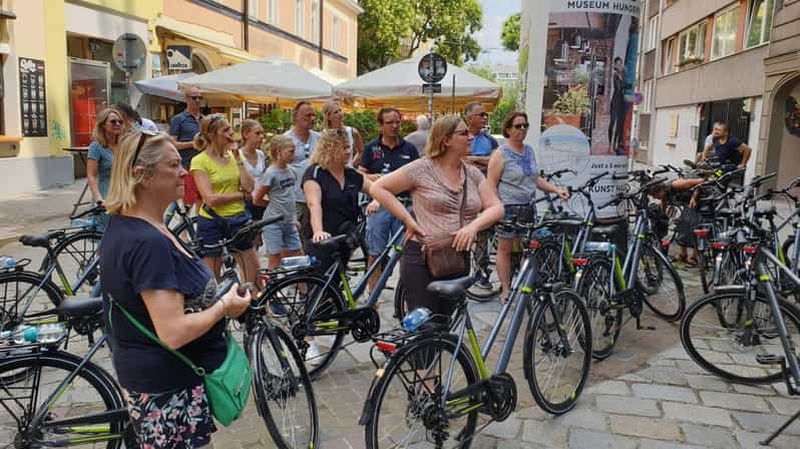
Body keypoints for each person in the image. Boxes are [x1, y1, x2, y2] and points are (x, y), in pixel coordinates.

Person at [100, 129, 251, 448]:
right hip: (167, 389)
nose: (184, 171)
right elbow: (173, 332)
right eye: (172, 165)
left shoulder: (130, 224)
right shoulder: (147, 242)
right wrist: (224, 307)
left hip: (158, 380)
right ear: (142, 175)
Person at [370, 115, 504, 320]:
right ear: (446, 140)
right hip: (422, 259)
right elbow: (379, 187)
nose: (470, 137)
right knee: (424, 326)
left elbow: (496, 208)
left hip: (457, 259)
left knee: (444, 324)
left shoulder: (472, 174)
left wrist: (472, 227)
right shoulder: (422, 168)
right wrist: (408, 220)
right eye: (464, 133)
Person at [487, 112, 570, 301]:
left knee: (527, 249)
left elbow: (535, 178)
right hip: (508, 208)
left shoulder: (529, 151)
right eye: (518, 126)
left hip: (528, 207)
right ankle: (506, 289)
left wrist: (556, 190)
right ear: (508, 130)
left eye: (525, 125)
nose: (523, 129)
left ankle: (524, 287)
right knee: (505, 249)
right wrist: (496, 208)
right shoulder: (500, 154)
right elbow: (490, 184)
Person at [191, 114, 259, 287]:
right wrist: (240, 195)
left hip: (238, 218)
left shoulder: (234, 156)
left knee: (254, 274)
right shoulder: (199, 161)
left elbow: (250, 186)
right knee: (211, 278)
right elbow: (210, 199)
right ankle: (220, 309)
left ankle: (256, 306)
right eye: (226, 130)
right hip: (212, 221)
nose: (231, 133)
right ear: (213, 135)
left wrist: (237, 158)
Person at [359, 108, 419, 293]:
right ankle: (372, 296)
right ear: (380, 126)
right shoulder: (371, 148)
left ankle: (407, 297)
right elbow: (361, 174)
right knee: (375, 253)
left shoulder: (409, 148)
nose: (394, 126)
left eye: (397, 122)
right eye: (389, 122)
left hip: (404, 207)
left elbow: (417, 177)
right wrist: (375, 179)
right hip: (378, 207)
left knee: (406, 254)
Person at [252, 135, 304, 269]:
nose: (294, 154)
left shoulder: (291, 171)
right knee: (275, 257)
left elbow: (290, 195)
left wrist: (293, 218)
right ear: (279, 152)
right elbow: (257, 198)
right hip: (273, 222)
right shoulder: (271, 173)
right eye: (290, 151)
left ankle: (302, 287)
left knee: (298, 254)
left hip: (289, 221)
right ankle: (272, 287)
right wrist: (271, 205)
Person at [285, 102, 321, 226]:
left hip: (317, 197)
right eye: (307, 115)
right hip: (294, 198)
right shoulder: (285, 140)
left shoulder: (319, 139)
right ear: (295, 117)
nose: (312, 119)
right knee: (293, 235)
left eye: (313, 115)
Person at [169, 86, 204, 209]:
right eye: (194, 98)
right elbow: (172, 144)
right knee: (188, 203)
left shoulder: (204, 120)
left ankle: (199, 227)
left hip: (204, 166)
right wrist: (192, 144)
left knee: (202, 200)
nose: (198, 100)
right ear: (187, 99)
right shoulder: (179, 119)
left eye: (200, 97)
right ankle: (184, 228)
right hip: (186, 165)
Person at [87, 108, 123, 211]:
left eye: (120, 121)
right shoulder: (96, 146)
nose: (117, 124)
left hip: (125, 196)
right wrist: (98, 198)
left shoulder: (124, 145)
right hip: (106, 196)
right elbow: (91, 175)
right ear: (103, 125)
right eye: (113, 121)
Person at [238, 119, 267, 221]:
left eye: (262, 133)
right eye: (257, 133)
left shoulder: (261, 154)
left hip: (260, 199)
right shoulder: (238, 155)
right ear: (246, 134)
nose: (261, 137)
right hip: (246, 200)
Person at [322, 100, 364, 166]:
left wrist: (351, 164)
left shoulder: (352, 131)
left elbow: (361, 151)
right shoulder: (324, 135)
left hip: (348, 173)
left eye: (340, 110)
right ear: (329, 117)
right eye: (336, 112)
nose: (340, 113)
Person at [463, 102, 498, 170]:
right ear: (470, 118)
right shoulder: (458, 138)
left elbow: (496, 161)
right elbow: (459, 161)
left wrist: (474, 158)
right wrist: (485, 161)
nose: (485, 118)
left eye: (486, 115)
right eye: (481, 115)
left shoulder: (491, 140)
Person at [608, 57, 628, 155]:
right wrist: (625, 83)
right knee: (613, 122)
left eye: (621, 64)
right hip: (615, 99)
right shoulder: (615, 75)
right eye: (618, 64)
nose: (619, 66)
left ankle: (616, 145)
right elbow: (618, 87)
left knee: (620, 123)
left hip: (621, 100)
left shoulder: (623, 74)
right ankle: (610, 145)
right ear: (615, 65)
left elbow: (626, 85)